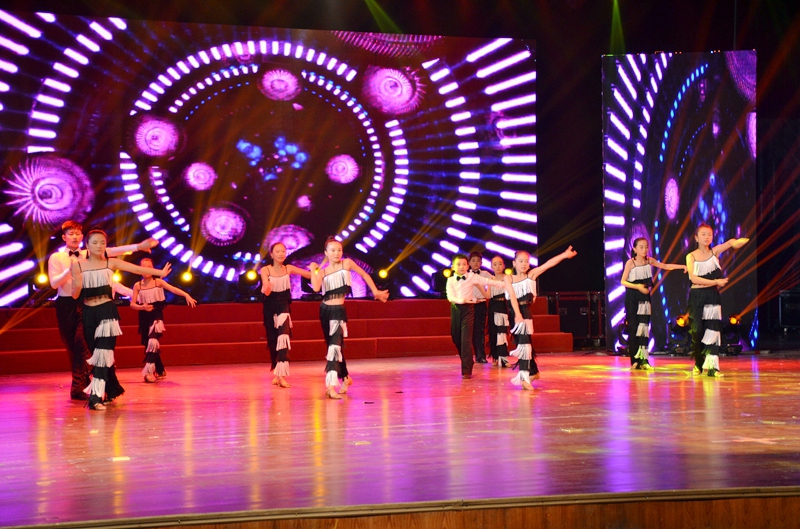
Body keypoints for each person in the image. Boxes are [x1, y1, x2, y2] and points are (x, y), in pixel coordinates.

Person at [47, 220, 157, 400]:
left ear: (82, 237)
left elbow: (113, 251)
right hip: (65, 304)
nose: (74, 237)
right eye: (71, 234)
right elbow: (53, 283)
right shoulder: (56, 257)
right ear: (64, 237)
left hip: (86, 302)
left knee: (82, 344)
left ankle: (81, 387)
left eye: (77, 234)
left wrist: (138, 246)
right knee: (73, 347)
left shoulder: (89, 253)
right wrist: (71, 269)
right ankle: (82, 384)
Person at [71, 228, 171, 410]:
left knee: (103, 354)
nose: (99, 246)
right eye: (95, 242)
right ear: (87, 245)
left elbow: (137, 269)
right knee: (96, 354)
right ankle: (113, 389)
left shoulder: (111, 262)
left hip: (107, 312)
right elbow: (75, 294)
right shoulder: (78, 265)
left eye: (102, 242)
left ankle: (95, 397)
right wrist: (77, 283)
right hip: (88, 313)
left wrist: (160, 273)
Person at [309, 238, 389, 399]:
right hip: (325, 311)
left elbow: (364, 274)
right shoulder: (323, 272)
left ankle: (331, 386)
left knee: (334, 347)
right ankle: (345, 377)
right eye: (332, 250)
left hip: (338, 311)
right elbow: (316, 288)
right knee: (334, 347)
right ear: (326, 253)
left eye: (339, 250)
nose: (336, 253)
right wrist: (313, 270)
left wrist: (375, 291)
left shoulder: (347, 263)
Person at [506, 247, 576, 389]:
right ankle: (534, 372)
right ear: (514, 263)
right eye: (521, 261)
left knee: (525, 345)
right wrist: (517, 314)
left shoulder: (531, 275)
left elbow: (548, 264)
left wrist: (564, 255)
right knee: (524, 344)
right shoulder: (509, 278)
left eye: (526, 261)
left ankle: (525, 378)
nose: (524, 264)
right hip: (515, 313)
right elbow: (512, 296)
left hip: (525, 313)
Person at [686, 224, 749, 377]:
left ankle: (713, 368)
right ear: (696, 238)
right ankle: (698, 363)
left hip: (712, 296)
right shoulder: (691, 256)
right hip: (697, 296)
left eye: (709, 234)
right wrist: (715, 282)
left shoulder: (715, 252)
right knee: (697, 331)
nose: (707, 237)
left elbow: (729, 243)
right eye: (703, 234)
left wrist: (735, 242)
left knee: (713, 331)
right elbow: (693, 278)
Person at [446, 253, 522, 380]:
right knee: (456, 338)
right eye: (459, 264)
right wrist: (462, 300)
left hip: (469, 309)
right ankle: (467, 360)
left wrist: (506, 285)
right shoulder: (450, 280)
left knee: (466, 340)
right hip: (456, 309)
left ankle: (466, 370)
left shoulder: (472, 277)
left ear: (468, 266)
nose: (462, 267)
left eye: (464, 264)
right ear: (453, 267)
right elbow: (450, 297)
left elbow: (489, 281)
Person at [620, 238, 686, 370]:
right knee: (634, 328)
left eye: (646, 247)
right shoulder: (630, 263)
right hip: (633, 297)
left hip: (644, 297)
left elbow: (665, 266)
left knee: (644, 328)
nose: (644, 250)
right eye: (641, 247)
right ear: (635, 249)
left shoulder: (649, 261)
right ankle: (634, 360)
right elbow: (623, 281)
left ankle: (644, 360)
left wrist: (683, 266)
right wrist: (638, 286)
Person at [130, 257, 197, 383]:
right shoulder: (137, 285)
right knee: (149, 345)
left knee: (153, 341)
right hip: (144, 317)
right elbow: (132, 304)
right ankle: (160, 370)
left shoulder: (158, 282)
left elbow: (173, 289)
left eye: (149, 267)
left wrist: (186, 295)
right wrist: (142, 307)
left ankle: (148, 372)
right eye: (143, 267)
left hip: (156, 316)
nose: (146, 269)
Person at [258, 242, 311, 388]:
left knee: (283, 337)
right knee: (273, 340)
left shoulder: (289, 268)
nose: (281, 254)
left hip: (283, 307)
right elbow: (266, 290)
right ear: (271, 254)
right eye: (278, 251)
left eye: (283, 251)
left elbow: (308, 274)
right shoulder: (265, 270)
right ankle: (277, 373)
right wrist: (267, 287)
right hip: (269, 308)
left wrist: (316, 269)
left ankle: (281, 376)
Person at [467, 251, 491, 363]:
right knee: (469, 331)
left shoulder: (485, 274)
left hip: (481, 304)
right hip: (469, 305)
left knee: (479, 331)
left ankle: (480, 355)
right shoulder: (465, 275)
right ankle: (469, 356)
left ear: (481, 263)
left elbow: (496, 280)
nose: (476, 263)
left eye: (478, 261)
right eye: (473, 261)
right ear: (469, 263)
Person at [487, 255, 511, 366]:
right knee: (493, 332)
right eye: (495, 264)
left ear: (504, 266)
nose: (497, 266)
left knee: (502, 332)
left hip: (503, 306)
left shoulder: (508, 278)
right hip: (493, 306)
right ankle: (495, 357)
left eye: (500, 264)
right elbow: (488, 295)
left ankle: (504, 358)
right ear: (491, 266)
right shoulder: (490, 280)